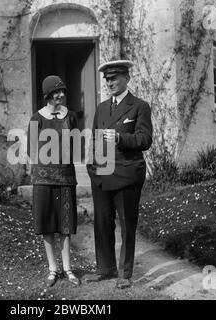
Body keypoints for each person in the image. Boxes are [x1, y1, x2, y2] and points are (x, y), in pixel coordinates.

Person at [86, 59, 153, 289]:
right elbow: (95, 138)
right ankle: (105, 269)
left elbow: (145, 140)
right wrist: (91, 167)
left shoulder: (139, 106)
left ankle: (124, 273)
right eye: (107, 79)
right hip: (102, 175)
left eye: (114, 78)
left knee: (127, 225)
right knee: (102, 223)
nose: (110, 82)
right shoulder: (102, 107)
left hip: (126, 174)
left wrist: (120, 138)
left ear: (127, 78)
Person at [27, 75, 80, 287]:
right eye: (56, 92)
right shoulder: (36, 118)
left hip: (66, 177)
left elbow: (75, 146)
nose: (60, 95)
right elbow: (32, 149)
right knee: (47, 224)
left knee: (65, 225)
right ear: (47, 94)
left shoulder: (72, 116)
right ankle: (52, 269)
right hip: (43, 179)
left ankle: (67, 268)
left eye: (62, 91)